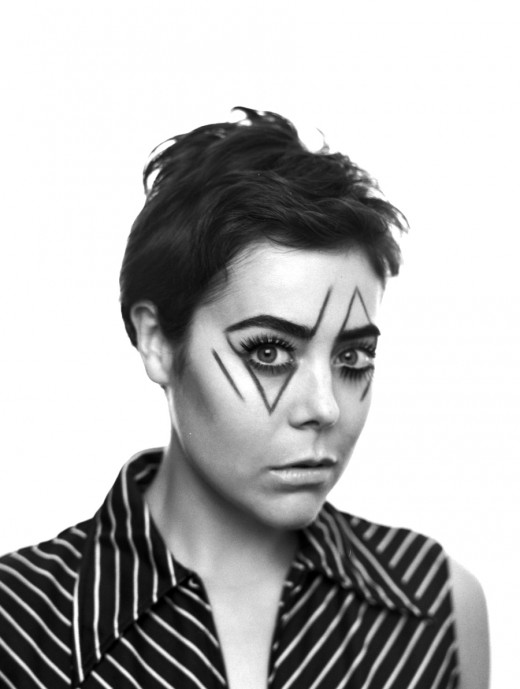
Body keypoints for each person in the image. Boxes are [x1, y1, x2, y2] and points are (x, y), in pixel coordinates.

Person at [0, 108, 489, 689]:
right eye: (269, 351)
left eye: (353, 357)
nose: (325, 407)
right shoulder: (17, 624)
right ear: (157, 342)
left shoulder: (435, 609)